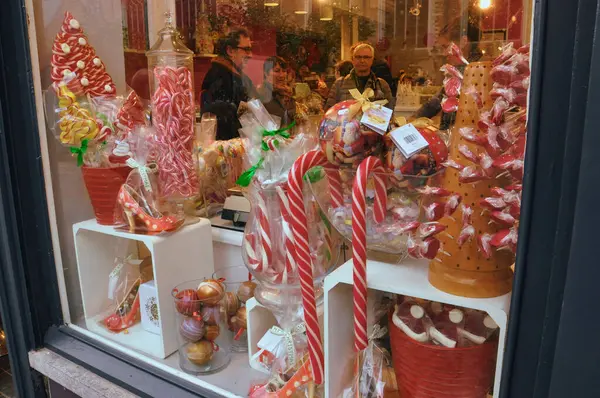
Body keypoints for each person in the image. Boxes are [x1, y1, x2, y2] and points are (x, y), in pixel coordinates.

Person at [413, 16, 482, 130]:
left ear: (464, 42)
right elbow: (435, 103)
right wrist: (412, 121)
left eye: (446, 47)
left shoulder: (478, 71)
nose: (445, 54)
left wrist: (411, 121)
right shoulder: (459, 71)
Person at [201, 28, 256, 140]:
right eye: (246, 49)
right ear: (230, 51)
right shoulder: (218, 76)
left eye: (250, 49)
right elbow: (222, 118)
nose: (250, 55)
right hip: (226, 147)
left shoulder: (237, 76)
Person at [325, 42, 395, 110]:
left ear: (372, 60)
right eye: (358, 57)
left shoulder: (381, 85)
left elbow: (389, 114)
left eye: (366, 57)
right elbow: (329, 113)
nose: (362, 60)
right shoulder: (339, 84)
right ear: (352, 59)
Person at [257, 56, 295, 126]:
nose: (282, 75)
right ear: (266, 73)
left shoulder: (287, 93)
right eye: (277, 71)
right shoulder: (260, 94)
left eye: (284, 71)